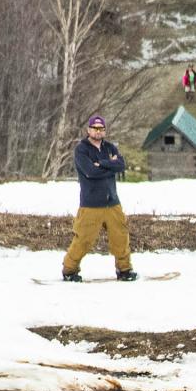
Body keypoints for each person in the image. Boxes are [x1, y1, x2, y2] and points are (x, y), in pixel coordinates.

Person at [62, 114, 136, 283]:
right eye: (95, 129)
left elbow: (121, 165)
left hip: (112, 203)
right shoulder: (81, 149)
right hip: (91, 204)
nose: (98, 132)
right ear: (88, 130)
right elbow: (90, 172)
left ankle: (124, 270)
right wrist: (110, 165)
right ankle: (69, 270)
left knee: (121, 236)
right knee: (83, 239)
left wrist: (101, 164)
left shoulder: (110, 147)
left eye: (101, 129)